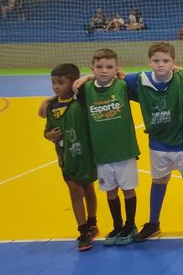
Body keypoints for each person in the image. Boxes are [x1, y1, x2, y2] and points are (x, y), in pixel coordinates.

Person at [121, 42, 183, 241]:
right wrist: (86, 77)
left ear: (174, 62)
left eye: (166, 60)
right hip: (158, 143)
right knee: (159, 180)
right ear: (149, 62)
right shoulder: (139, 80)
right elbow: (114, 78)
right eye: (156, 61)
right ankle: (153, 223)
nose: (160, 65)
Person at [81, 49, 141, 245]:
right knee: (110, 191)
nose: (104, 71)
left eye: (109, 67)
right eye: (99, 67)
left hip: (124, 150)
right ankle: (117, 225)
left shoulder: (123, 86)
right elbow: (65, 99)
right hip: (102, 152)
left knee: (128, 189)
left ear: (117, 69)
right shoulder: (85, 89)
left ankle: (130, 225)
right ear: (92, 69)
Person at [43, 63, 99, 251]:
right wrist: (48, 136)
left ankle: (92, 223)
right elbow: (47, 130)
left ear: (73, 83)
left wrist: (86, 78)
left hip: (85, 155)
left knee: (89, 189)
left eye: (60, 82)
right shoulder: (51, 107)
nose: (56, 86)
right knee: (75, 192)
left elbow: (98, 79)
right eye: (53, 83)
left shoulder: (80, 101)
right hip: (66, 158)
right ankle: (83, 231)